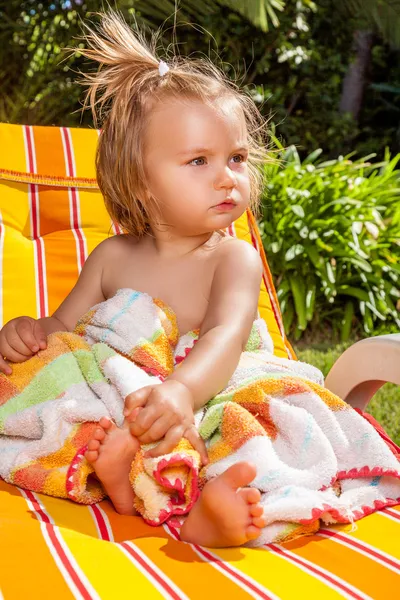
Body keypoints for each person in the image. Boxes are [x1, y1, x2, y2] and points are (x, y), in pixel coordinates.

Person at [0, 11, 271, 547]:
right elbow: (63, 332)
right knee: (63, 384)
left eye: (237, 158)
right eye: (199, 160)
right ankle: (120, 478)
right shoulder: (111, 256)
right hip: (124, 407)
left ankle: (199, 507)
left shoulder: (232, 259)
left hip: (199, 393)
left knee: (239, 424)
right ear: (141, 183)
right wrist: (26, 331)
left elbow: (226, 338)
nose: (228, 177)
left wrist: (180, 390)